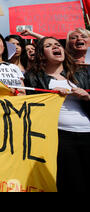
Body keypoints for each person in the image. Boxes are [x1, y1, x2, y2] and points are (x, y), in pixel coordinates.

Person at [24, 37, 90, 192]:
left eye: (57, 45)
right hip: (60, 135)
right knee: (72, 181)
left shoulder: (81, 73)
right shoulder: (33, 78)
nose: (55, 47)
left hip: (87, 132)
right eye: (48, 45)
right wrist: (51, 97)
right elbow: (31, 107)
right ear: (41, 54)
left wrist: (87, 97)